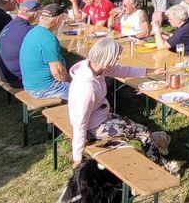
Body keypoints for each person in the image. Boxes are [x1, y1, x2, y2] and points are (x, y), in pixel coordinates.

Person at [66, 37, 172, 171]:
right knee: (144, 133)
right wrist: (77, 157)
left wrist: (150, 71)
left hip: (100, 118)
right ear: (107, 59)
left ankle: (156, 155)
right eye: (116, 58)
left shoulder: (93, 67)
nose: (117, 61)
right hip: (94, 129)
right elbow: (80, 123)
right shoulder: (87, 88)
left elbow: (122, 70)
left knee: (135, 126)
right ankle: (155, 169)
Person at [19, 3, 70, 99]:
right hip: (44, 89)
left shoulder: (34, 31)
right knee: (88, 91)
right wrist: (72, 82)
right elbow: (58, 72)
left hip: (31, 84)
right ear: (59, 19)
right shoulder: (48, 38)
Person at [0, 0, 40, 89]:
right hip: (18, 79)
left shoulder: (12, 24)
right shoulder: (29, 31)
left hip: (5, 73)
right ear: (36, 13)